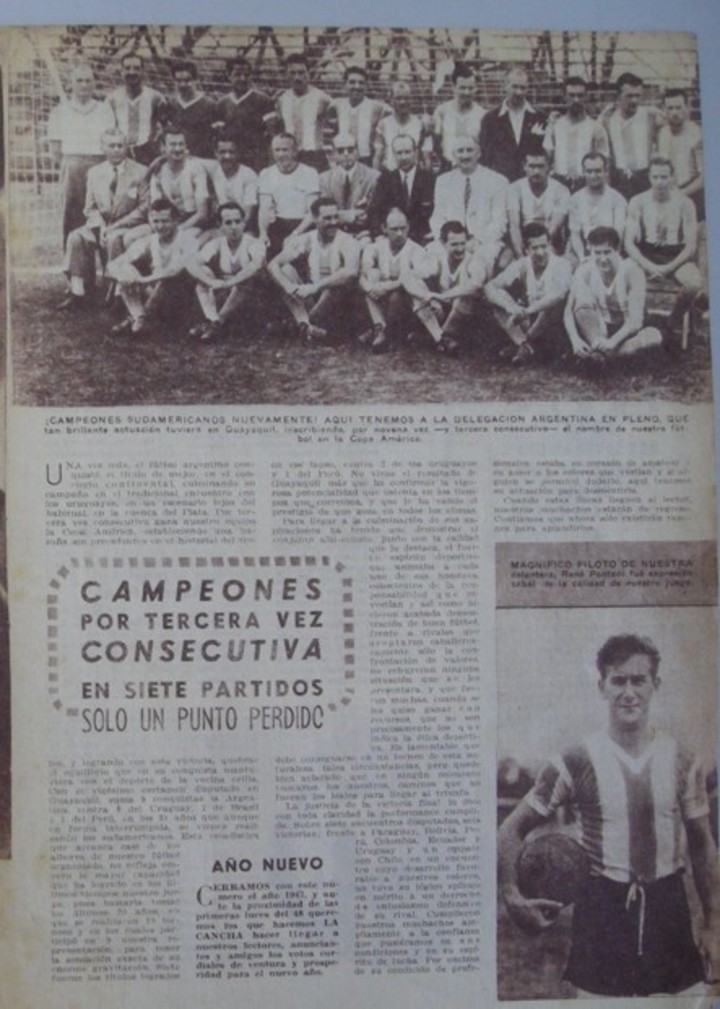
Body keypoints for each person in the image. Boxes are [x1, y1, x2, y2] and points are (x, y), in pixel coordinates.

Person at [498, 633, 720, 997]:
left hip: (669, 909)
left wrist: (713, 925)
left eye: (639, 680)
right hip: (601, 911)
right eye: (618, 680)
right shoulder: (575, 760)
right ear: (602, 686)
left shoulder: (682, 759)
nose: (628, 692)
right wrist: (512, 896)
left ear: (655, 685)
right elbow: (510, 829)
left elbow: (702, 844)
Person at [61, 128, 148, 309]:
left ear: (126, 147)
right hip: (101, 226)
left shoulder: (141, 172)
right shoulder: (94, 172)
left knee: (115, 240)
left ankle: (118, 293)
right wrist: (100, 226)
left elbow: (144, 208)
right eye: (112, 145)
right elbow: (90, 208)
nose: (116, 149)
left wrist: (116, 227)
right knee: (76, 237)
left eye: (120, 145)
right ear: (103, 148)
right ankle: (78, 293)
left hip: (128, 226)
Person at [624, 155, 703, 337]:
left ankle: (671, 325)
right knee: (625, 270)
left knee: (693, 283)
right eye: (655, 177)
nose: (660, 182)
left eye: (664, 177)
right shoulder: (638, 201)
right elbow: (629, 243)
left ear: (672, 177)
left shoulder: (685, 203)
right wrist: (649, 266)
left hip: (675, 255)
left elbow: (691, 246)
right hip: (647, 253)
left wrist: (668, 268)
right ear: (649, 178)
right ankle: (638, 320)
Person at [267, 196, 360, 342]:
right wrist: (288, 286)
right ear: (315, 219)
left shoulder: (347, 241)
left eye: (336, 217)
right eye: (327, 218)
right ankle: (305, 324)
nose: (333, 222)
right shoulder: (306, 240)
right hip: (311, 297)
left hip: (336, 300)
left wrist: (315, 287)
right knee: (286, 270)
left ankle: (301, 325)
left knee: (336, 283)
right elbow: (273, 264)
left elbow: (351, 271)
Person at [563, 225, 662, 362]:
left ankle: (602, 356)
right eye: (597, 253)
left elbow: (636, 322)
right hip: (601, 329)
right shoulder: (584, 270)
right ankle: (601, 353)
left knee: (653, 336)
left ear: (617, 250)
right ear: (589, 249)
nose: (603, 259)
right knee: (581, 305)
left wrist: (612, 342)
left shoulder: (631, 271)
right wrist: (575, 341)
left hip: (628, 331)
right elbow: (568, 312)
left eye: (607, 252)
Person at [47, 63, 115, 246]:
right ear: (71, 84)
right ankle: (75, 268)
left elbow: (111, 142)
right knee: (72, 216)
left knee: (103, 213)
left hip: (99, 164)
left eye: (88, 80)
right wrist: (71, 167)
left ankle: (107, 264)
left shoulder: (104, 109)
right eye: (79, 80)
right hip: (72, 167)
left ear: (94, 84)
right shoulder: (59, 111)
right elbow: (55, 150)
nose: (84, 85)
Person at [485, 222, 572, 364]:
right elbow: (489, 287)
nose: (540, 252)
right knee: (498, 301)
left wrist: (527, 311)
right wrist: (509, 307)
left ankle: (526, 344)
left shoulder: (562, 264)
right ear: (526, 250)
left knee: (549, 304)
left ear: (549, 245)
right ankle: (523, 345)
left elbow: (558, 294)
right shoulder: (522, 264)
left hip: (554, 324)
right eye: (535, 248)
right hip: (529, 319)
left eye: (544, 246)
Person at [108, 198, 196, 336]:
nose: (160, 226)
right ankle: (139, 317)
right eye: (156, 221)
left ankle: (138, 320)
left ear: (175, 221)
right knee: (126, 269)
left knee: (165, 279)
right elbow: (112, 265)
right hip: (154, 292)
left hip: (179, 297)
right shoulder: (150, 240)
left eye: (165, 221)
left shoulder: (187, 239)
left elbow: (175, 271)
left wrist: (143, 280)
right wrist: (125, 276)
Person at [403, 219, 489, 355]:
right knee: (418, 293)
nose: (460, 249)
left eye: (463, 243)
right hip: (443, 312)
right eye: (454, 244)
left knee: (464, 297)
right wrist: (428, 297)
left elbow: (475, 284)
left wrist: (442, 296)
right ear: (443, 244)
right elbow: (407, 276)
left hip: (468, 317)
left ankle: (436, 338)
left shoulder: (474, 260)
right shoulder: (438, 259)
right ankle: (441, 339)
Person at [186, 201, 266, 341]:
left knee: (246, 278)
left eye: (237, 221)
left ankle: (217, 322)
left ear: (244, 223)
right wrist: (210, 281)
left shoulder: (254, 243)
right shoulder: (217, 244)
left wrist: (230, 283)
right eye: (228, 223)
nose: (234, 227)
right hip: (225, 293)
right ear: (220, 226)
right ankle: (213, 320)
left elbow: (256, 265)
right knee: (203, 271)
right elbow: (191, 263)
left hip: (252, 297)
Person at [430, 135, 508, 271]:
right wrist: (448, 239)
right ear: (453, 155)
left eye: (469, 150)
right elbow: (437, 216)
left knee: (479, 262)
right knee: (432, 257)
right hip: (450, 240)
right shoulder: (443, 181)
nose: (465, 155)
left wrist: (477, 241)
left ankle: (472, 291)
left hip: (484, 241)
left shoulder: (497, 181)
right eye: (460, 151)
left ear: (478, 153)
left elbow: (499, 221)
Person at [358, 206, 429, 352]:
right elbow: (362, 274)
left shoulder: (417, 251)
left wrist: (386, 287)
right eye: (394, 229)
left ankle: (385, 332)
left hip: (406, 304)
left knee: (398, 294)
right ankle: (380, 328)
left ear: (409, 227)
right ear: (384, 228)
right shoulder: (374, 248)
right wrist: (370, 287)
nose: (400, 233)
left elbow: (414, 279)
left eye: (403, 228)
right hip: (380, 300)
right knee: (372, 275)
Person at [601, 72, 664, 201]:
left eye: (637, 96)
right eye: (629, 96)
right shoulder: (608, 119)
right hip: (618, 180)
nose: (634, 100)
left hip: (644, 179)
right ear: (618, 96)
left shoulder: (650, 116)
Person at [479, 66, 546, 181]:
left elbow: (544, 153)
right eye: (514, 87)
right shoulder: (490, 119)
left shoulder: (539, 117)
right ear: (505, 86)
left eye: (523, 88)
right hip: (499, 182)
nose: (519, 92)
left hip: (530, 183)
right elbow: (485, 156)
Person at [257, 133, 320, 256]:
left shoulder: (310, 173)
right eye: (277, 150)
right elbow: (265, 209)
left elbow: (312, 212)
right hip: (279, 226)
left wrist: (295, 234)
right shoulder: (266, 174)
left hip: (304, 226)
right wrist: (263, 233)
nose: (281, 155)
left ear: (295, 151)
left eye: (285, 150)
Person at [543, 76, 608, 192]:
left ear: (586, 97)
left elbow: (604, 161)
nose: (576, 100)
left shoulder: (596, 127)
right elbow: (547, 158)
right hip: (559, 183)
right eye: (571, 95)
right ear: (564, 97)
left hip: (586, 184)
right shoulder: (555, 126)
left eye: (580, 95)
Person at [144, 127, 210, 240]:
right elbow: (153, 208)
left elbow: (202, 214)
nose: (178, 149)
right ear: (163, 147)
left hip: (192, 224)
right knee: (131, 238)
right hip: (165, 223)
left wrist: (178, 229)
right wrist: (156, 228)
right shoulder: (158, 171)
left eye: (181, 144)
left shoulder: (195, 169)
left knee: (179, 240)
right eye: (173, 145)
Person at [368, 134, 435, 245]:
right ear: (393, 155)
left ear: (416, 153)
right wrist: (379, 235)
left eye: (407, 152)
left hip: (422, 238)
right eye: (399, 153)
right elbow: (375, 211)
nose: (403, 157)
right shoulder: (385, 180)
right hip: (392, 239)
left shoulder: (430, 179)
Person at [214, 56, 276, 174]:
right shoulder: (222, 104)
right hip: (231, 160)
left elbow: (272, 135)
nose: (242, 79)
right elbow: (219, 137)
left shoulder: (264, 100)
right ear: (229, 75)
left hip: (256, 160)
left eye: (246, 75)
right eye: (237, 75)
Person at [506, 150, 570, 259]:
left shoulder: (561, 190)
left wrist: (539, 249)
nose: (536, 171)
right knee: (504, 263)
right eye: (532, 166)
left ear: (549, 168)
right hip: (523, 240)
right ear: (524, 167)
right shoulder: (515, 189)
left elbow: (555, 226)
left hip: (550, 241)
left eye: (541, 166)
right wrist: (521, 256)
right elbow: (514, 225)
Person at [107, 53, 168, 166]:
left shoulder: (156, 98)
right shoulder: (112, 99)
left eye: (136, 68)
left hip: (148, 155)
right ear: (121, 71)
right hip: (120, 154)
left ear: (143, 71)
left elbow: (165, 129)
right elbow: (108, 129)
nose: (132, 72)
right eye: (127, 68)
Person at [567, 152, 627, 265]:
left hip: (609, 249)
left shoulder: (617, 199)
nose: (593, 176)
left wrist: (606, 255)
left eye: (598, 171)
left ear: (605, 171)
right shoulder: (575, 199)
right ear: (583, 172)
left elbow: (618, 234)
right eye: (589, 171)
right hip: (583, 250)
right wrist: (582, 258)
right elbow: (574, 234)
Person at [276, 52, 333, 171]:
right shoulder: (282, 100)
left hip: (314, 156)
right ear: (286, 75)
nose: (297, 77)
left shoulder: (322, 98)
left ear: (308, 74)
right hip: (290, 157)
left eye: (301, 73)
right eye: (292, 73)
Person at [656, 89, 704, 220]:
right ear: (664, 110)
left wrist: (681, 193)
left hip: (692, 194)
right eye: (670, 108)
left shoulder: (697, 135)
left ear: (687, 108)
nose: (674, 113)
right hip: (667, 194)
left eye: (678, 107)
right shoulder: (662, 133)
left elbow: (704, 177)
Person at [319, 134, 379, 237]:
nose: (346, 154)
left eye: (350, 150)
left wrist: (339, 214)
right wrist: (351, 215)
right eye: (340, 151)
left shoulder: (373, 177)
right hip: (334, 235)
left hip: (363, 235)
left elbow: (371, 214)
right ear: (333, 154)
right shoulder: (325, 178)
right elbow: (325, 213)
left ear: (357, 152)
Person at [328, 66, 390, 165]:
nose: (357, 86)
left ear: (366, 86)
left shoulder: (377, 107)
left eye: (361, 83)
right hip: (343, 160)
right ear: (345, 85)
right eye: (352, 82)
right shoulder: (337, 105)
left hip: (366, 160)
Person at [432, 63, 486, 171]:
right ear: (454, 87)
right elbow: (435, 144)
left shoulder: (483, 115)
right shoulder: (442, 111)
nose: (467, 92)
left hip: (474, 169)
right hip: (448, 168)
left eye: (470, 88)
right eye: (462, 88)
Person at [206, 132, 259, 231]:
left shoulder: (248, 175)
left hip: (243, 228)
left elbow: (248, 215)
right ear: (216, 154)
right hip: (220, 226)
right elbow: (191, 159)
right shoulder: (213, 169)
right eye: (222, 152)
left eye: (231, 152)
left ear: (238, 153)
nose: (227, 156)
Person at [166, 59, 217, 161]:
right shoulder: (171, 103)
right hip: (178, 157)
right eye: (178, 81)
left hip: (202, 158)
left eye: (187, 80)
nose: (183, 84)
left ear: (196, 80)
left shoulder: (209, 104)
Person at [373, 81, 429, 172]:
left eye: (406, 98)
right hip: (391, 175)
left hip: (413, 176)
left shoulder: (419, 124)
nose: (403, 102)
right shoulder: (383, 124)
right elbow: (378, 156)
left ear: (411, 99)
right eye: (398, 98)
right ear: (391, 100)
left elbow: (425, 156)